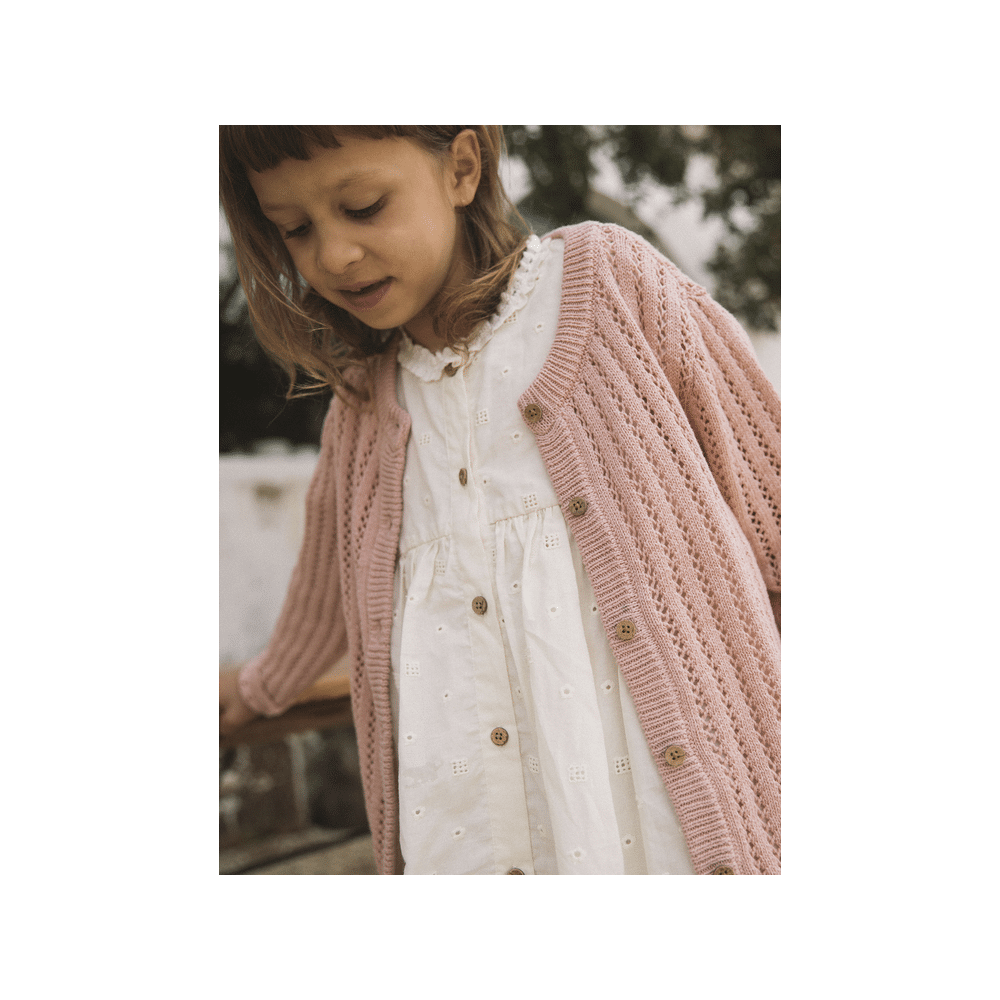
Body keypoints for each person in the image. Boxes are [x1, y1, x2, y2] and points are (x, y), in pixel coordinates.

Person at [218, 126, 780, 875]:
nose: (334, 255)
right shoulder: (363, 412)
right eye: (295, 229)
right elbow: (325, 591)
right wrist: (261, 687)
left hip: (661, 815)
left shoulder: (609, 284)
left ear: (461, 168)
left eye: (363, 206)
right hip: (468, 824)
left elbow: (773, 500)